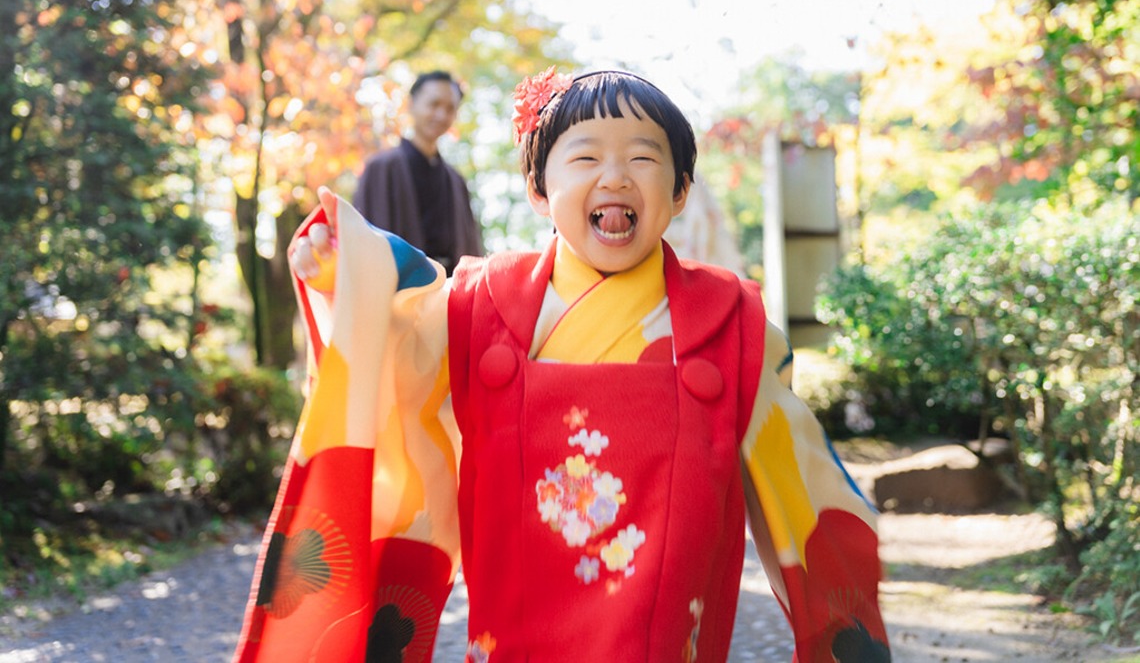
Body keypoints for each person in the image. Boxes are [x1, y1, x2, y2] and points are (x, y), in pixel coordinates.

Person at [234, 69, 890, 662]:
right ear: (538, 190)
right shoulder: (478, 307)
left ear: (681, 190)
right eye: (585, 157)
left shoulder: (733, 328)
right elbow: (400, 330)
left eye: (643, 157)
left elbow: (808, 494)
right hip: (514, 639)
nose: (614, 176)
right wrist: (345, 267)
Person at [352, 70, 483, 274]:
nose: (441, 115)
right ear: (411, 104)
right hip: (396, 289)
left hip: (449, 293)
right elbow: (361, 239)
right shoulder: (381, 168)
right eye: (434, 104)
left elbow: (470, 247)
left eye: (450, 109)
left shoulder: (456, 181)